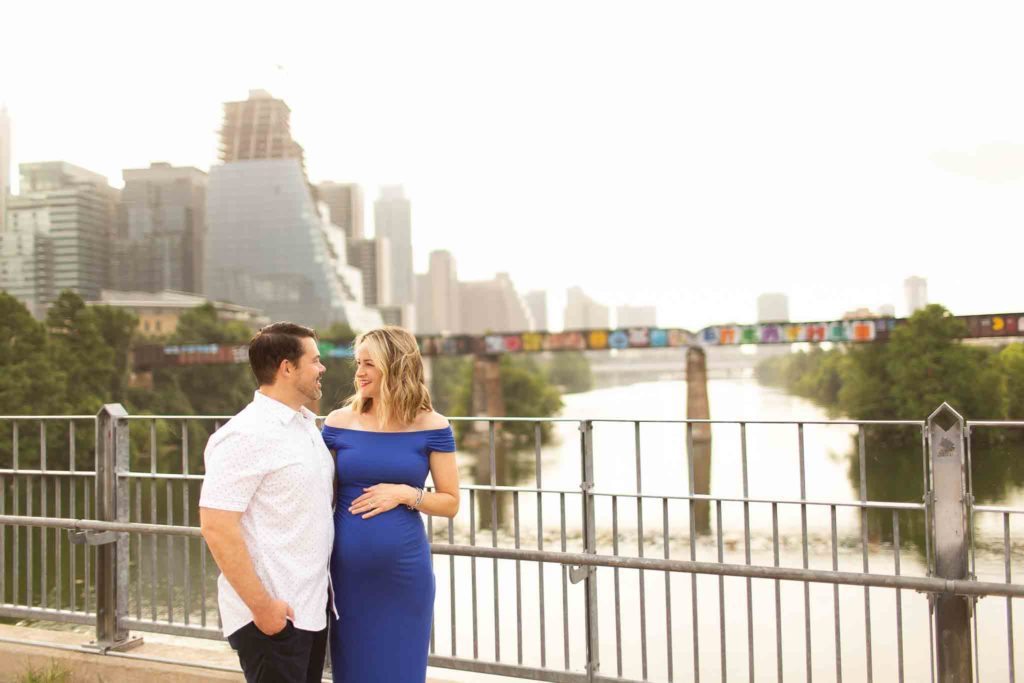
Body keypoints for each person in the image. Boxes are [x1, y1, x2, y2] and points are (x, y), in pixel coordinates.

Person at [322, 326, 461, 682]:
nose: (359, 372)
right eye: (357, 363)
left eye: (369, 363)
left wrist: (405, 494)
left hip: (403, 577)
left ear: (395, 365)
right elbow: (316, 493)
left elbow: (449, 503)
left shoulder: (433, 426)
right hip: (347, 576)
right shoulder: (338, 423)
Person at [199, 322, 336, 683]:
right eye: (315, 360)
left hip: (310, 609)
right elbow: (216, 527)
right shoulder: (245, 435)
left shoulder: (306, 427)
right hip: (274, 618)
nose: (322, 368)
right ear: (286, 368)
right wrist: (263, 609)